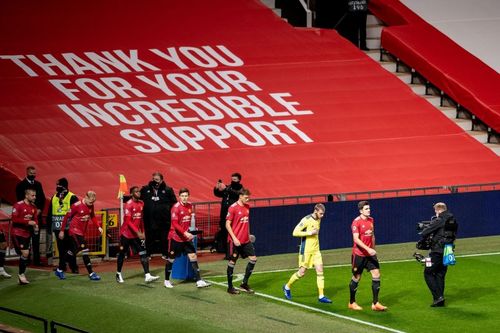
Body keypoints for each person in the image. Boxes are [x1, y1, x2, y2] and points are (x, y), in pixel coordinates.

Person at [283, 203, 332, 303]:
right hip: (306, 251)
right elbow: (295, 232)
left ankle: (321, 296)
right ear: (315, 211)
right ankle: (287, 287)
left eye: (323, 214)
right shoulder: (306, 220)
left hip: (316, 250)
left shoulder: (318, 218)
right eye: (321, 214)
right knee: (301, 273)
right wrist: (309, 233)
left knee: (320, 271)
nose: (322, 216)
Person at [163, 188, 210, 289]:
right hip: (175, 238)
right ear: (179, 196)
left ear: (188, 196)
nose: (184, 198)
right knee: (171, 259)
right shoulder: (175, 208)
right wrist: (185, 232)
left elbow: (187, 222)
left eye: (186, 196)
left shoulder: (189, 206)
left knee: (193, 256)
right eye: (182, 196)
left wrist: (191, 231)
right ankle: (166, 280)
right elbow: (175, 224)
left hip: (186, 238)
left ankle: (199, 281)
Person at [348, 200, 387, 311]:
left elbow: (372, 235)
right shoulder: (356, 222)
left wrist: (373, 249)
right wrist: (368, 249)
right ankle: (352, 302)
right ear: (361, 211)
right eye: (366, 209)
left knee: (376, 274)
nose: (369, 210)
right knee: (357, 277)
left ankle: (375, 303)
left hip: (370, 255)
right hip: (359, 255)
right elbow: (356, 239)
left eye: (369, 208)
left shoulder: (371, 220)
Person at [116, 186, 159, 284]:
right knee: (122, 254)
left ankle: (147, 275)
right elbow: (128, 221)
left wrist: (143, 231)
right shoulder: (128, 204)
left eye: (139, 191)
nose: (139, 193)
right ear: (132, 194)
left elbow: (141, 219)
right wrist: (138, 232)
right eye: (136, 191)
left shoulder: (141, 203)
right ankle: (118, 274)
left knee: (143, 253)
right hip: (126, 234)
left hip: (136, 235)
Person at [57, 191, 102, 281]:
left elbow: (92, 216)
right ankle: (91, 273)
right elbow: (66, 217)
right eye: (90, 202)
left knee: (72, 251)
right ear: (85, 197)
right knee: (85, 250)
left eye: (93, 202)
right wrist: (62, 231)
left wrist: (98, 227)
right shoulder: (76, 205)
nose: (91, 204)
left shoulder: (90, 205)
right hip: (74, 231)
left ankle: (59, 269)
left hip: (81, 232)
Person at [420, 202, 458, 307]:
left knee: (428, 272)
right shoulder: (452, 220)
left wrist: (425, 227)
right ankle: (440, 299)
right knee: (441, 274)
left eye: (436, 211)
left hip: (437, 250)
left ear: (438, 210)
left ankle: (438, 297)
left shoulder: (440, 220)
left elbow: (424, 232)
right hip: (449, 250)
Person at [226, 188, 257, 295]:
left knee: (253, 259)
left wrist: (248, 234)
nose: (248, 199)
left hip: (245, 240)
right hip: (235, 241)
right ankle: (230, 287)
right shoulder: (233, 208)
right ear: (240, 196)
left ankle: (244, 283)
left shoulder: (247, 207)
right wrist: (234, 239)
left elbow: (246, 223)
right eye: (246, 197)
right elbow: (227, 225)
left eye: (249, 197)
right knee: (232, 262)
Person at [47, 178, 79, 276]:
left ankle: (74, 267)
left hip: (69, 229)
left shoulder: (72, 197)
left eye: (58, 185)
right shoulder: (54, 197)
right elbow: (50, 213)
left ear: (64, 186)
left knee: (71, 248)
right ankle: (62, 266)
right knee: (61, 249)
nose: (57, 187)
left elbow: (76, 213)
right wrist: (49, 227)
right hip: (57, 227)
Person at [141, 172, 177, 257]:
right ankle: (148, 254)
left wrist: (166, 210)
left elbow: (174, 202)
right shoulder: (145, 189)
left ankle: (165, 253)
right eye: (153, 179)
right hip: (149, 219)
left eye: (156, 180)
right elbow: (137, 196)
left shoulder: (168, 190)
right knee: (149, 237)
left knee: (164, 238)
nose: (154, 181)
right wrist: (124, 198)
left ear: (161, 180)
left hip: (164, 219)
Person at [15, 166, 46, 266]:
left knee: (36, 240)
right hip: (25, 219)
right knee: (26, 240)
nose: (33, 175)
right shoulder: (20, 185)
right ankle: (26, 260)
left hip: (37, 217)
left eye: (34, 173)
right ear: (27, 172)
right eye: (31, 173)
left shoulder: (38, 184)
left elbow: (42, 199)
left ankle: (37, 260)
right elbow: (19, 201)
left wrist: (39, 210)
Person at [11, 189, 39, 284]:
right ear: (26, 196)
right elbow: (14, 219)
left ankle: (21, 275)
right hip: (17, 233)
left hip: (27, 234)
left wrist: (36, 225)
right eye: (32, 195)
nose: (34, 197)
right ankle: (21, 274)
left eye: (35, 195)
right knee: (25, 253)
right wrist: (28, 222)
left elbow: (35, 218)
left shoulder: (33, 207)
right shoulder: (18, 205)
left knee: (25, 254)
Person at [213, 172, 243, 258]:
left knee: (234, 233)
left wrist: (225, 188)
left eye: (235, 180)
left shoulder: (240, 189)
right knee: (224, 233)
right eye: (232, 179)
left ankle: (237, 252)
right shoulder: (228, 188)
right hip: (224, 214)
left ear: (239, 180)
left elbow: (237, 194)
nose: (233, 181)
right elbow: (218, 194)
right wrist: (217, 188)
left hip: (234, 215)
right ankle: (227, 253)